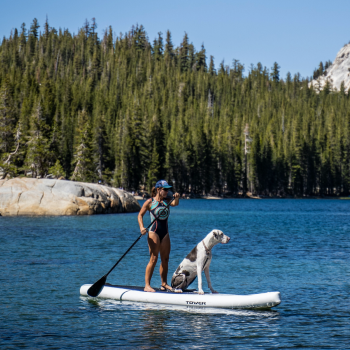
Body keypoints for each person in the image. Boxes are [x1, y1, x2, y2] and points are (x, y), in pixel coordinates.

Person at [138, 180, 180, 292]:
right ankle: (147, 285)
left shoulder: (167, 201)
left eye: (168, 189)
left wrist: (176, 197)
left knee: (165, 259)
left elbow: (175, 203)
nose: (167, 191)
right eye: (165, 189)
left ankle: (164, 284)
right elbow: (140, 215)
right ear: (158, 189)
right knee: (153, 258)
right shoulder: (150, 202)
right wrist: (142, 228)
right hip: (153, 232)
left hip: (165, 233)